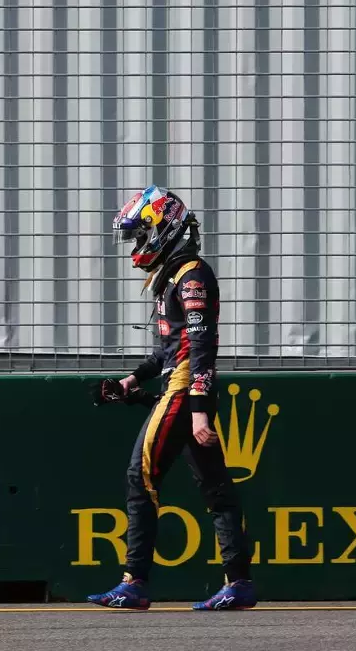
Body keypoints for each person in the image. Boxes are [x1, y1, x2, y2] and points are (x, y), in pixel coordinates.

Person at [88, 185, 257, 612]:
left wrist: (198, 410)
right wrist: (132, 380)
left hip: (186, 390)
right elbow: (169, 348)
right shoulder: (176, 275)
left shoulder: (192, 275)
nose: (137, 244)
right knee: (217, 489)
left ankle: (134, 582)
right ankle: (239, 583)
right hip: (180, 386)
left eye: (141, 233)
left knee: (139, 476)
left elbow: (202, 346)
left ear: (164, 228)